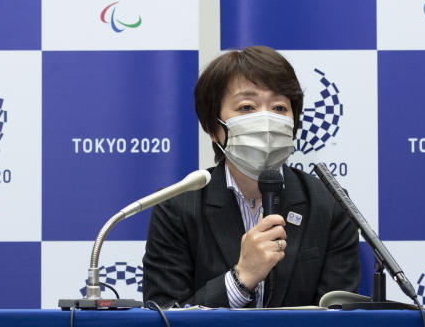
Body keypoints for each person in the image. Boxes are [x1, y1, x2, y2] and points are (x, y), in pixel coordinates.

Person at [142, 46, 360, 308]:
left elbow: (339, 315)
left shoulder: (330, 204)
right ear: (213, 128)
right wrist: (241, 279)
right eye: (247, 107)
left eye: (279, 108)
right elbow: (164, 314)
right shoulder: (176, 207)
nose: (266, 120)